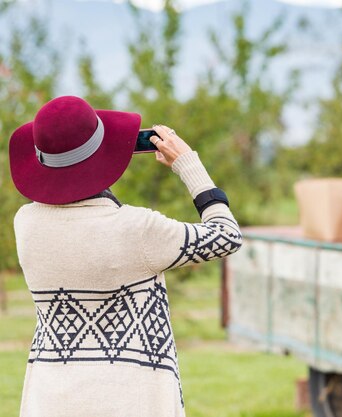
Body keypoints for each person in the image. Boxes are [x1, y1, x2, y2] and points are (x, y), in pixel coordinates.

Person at [8, 95, 243, 417]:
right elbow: (226, 236)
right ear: (105, 154)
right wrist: (190, 165)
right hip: (132, 399)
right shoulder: (137, 228)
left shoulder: (26, 223)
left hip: (49, 399)